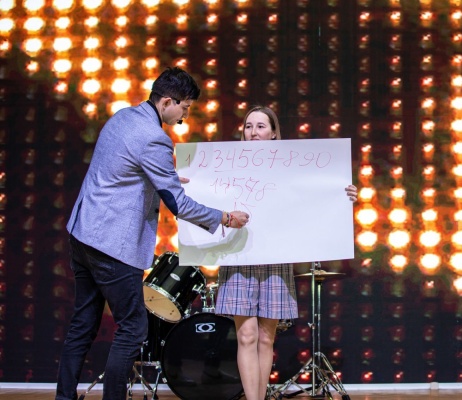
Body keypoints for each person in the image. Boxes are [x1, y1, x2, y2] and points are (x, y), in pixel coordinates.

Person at [56, 67, 250, 400]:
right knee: (133, 329)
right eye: (184, 108)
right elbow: (179, 205)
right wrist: (225, 218)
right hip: (113, 244)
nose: (185, 117)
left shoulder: (123, 117)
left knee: (83, 324)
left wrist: (165, 176)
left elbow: (123, 169)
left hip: (83, 233)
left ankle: (63, 397)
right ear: (166, 101)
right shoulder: (155, 137)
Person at [214, 106, 357, 400]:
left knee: (266, 337)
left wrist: (343, 195)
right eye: (248, 126)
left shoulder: (290, 167)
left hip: (275, 258)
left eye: (261, 126)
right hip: (239, 257)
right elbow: (207, 195)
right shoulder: (226, 165)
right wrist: (189, 183)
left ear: (274, 133)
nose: (253, 132)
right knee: (246, 335)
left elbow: (314, 198)